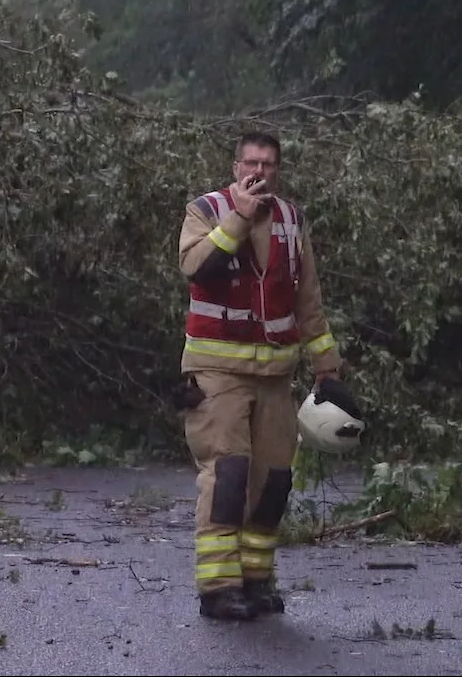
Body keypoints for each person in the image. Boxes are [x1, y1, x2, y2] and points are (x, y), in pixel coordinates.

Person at [175, 132, 357, 621]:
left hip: (277, 374)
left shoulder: (292, 221)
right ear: (236, 167)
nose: (259, 171)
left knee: (273, 480)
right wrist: (240, 216)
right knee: (228, 475)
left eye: (268, 165)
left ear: (279, 171)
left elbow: (307, 300)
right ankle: (218, 588)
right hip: (218, 373)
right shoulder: (207, 211)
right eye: (251, 163)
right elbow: (196, 266)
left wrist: (328, 367)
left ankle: (255, 580)